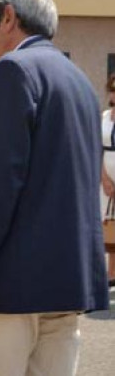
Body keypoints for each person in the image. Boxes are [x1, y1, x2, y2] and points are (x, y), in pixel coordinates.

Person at [0, 0, 109, 375]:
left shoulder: (13, 71)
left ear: (9, 17)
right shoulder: (79, 81)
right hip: (67, 283)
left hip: (9, 288)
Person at [100, 73, 115, 285]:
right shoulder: (103, 117)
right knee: (108, 224)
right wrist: (104, 178)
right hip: (105, 175)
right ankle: (111, 274)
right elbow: (97, 148)